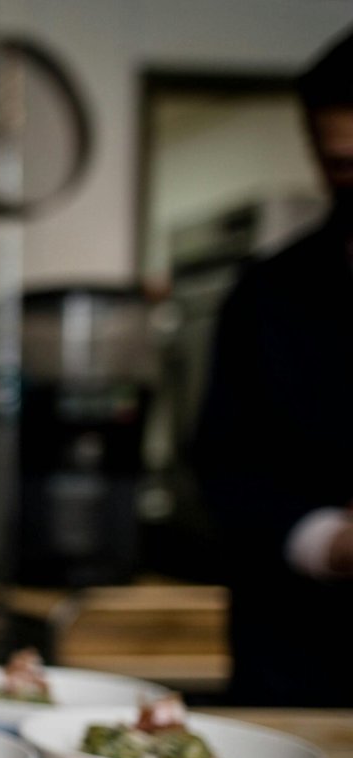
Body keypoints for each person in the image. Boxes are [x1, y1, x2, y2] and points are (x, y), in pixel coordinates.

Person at [193, 27, 353, 708]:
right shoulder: (268, 295)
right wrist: (330, 541)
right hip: (298, 663)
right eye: (341, 165)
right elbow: (223, 466)